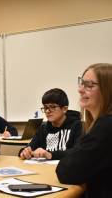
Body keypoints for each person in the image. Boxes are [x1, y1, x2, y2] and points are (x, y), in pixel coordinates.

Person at [56, 63, 112, 197]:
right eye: (81, 83)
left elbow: (66, 171)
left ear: (108, 90)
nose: (80, 90)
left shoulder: (106, 126)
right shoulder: (98, 124)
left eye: (89, 85)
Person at [19, 88, 82, 160]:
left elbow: (79, 152)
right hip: (46, 169)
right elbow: (30, 147)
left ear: (64, 109)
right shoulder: (43, 129)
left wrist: (50, 155)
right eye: (45, 107)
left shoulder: (78, 126)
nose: (48, 111)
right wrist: (24, 152)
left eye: (52, 107)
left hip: (67, 169)